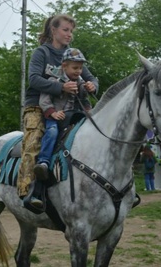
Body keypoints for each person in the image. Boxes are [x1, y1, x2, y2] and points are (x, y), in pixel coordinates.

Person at [17, 14, 99, 204]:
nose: (69, 34)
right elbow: (34, 79)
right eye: (65, 30)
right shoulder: (42, 53)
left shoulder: (73, 55)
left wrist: (92, 86)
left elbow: (91, 78)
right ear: (53, 30)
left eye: (71, 31)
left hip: (70, 107)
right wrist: (60, 87)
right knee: (34, 140)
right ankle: (27, 190)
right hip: (38, 105)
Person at [33, 48, 92, 188]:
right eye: (75, 68)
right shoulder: (54, 80)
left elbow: (84, 100)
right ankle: (44, 162)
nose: (78, 71)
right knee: (52, 131)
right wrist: (53, 112)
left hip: (74, 117)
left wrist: (90, 109)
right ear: (64, 66)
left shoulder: (80, 82)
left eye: (81, 68)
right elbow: (44, 101)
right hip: (56, 117)